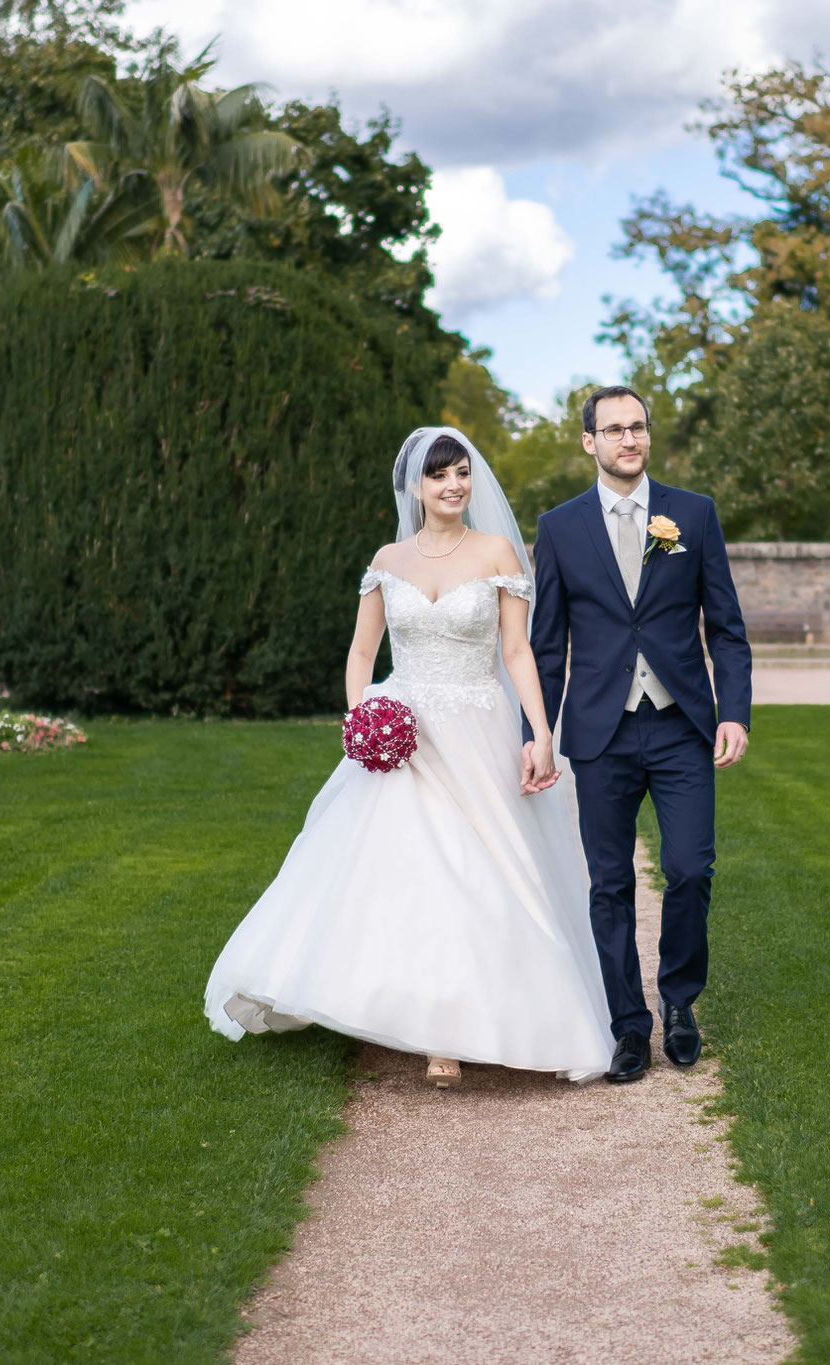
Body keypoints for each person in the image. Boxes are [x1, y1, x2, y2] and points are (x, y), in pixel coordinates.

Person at [204, 428, 611, 1086]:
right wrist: (363, 715)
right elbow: (363, 653)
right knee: (408, 874)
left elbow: (516, 653)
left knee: (478, 872)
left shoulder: (497, 552)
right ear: (415, 487)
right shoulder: (388, 559)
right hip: (404, 732)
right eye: (438, 476)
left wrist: (540, 730)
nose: (452, 486)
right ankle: (424, 1029)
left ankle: (469, 1022)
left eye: (461, 474)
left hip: (476, 732)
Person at [525, 386, 753, 1084]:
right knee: (610, 882)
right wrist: (537, 733)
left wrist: (733, 710)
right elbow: (546, 647)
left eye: (638, 427)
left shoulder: (692, 515)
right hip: (601, 732)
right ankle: (630, 1025)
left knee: (690, 869)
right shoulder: (559, 528)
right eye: (613, 429)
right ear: (589, 442)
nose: (629, 438)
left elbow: (727, 628)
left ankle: (680, 1003)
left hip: (682, 726)